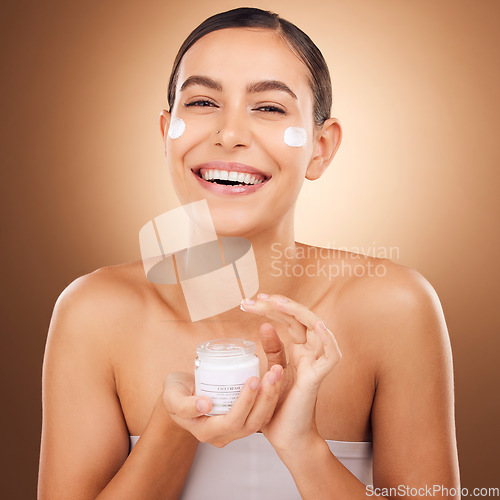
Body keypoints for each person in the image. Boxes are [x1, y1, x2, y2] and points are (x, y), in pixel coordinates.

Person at [38, 7, 460, 499]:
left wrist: (303, 446)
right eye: (201, 102)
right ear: (165, 132)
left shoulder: (394, 305)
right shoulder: (93, 311)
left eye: (269, 107)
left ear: (321, 148)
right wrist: (176, 428)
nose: (230, 133)